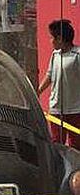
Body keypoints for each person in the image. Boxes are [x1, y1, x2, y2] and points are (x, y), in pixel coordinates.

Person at [38, 19, 80, 148]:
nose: (51, 41)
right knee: (56, 144)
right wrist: (37, 91)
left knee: (76, 146)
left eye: (52, 38)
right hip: (56, 108)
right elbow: (49, 76)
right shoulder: (55, 55)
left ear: (60, 39)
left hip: (75, 109)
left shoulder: (77, 55)